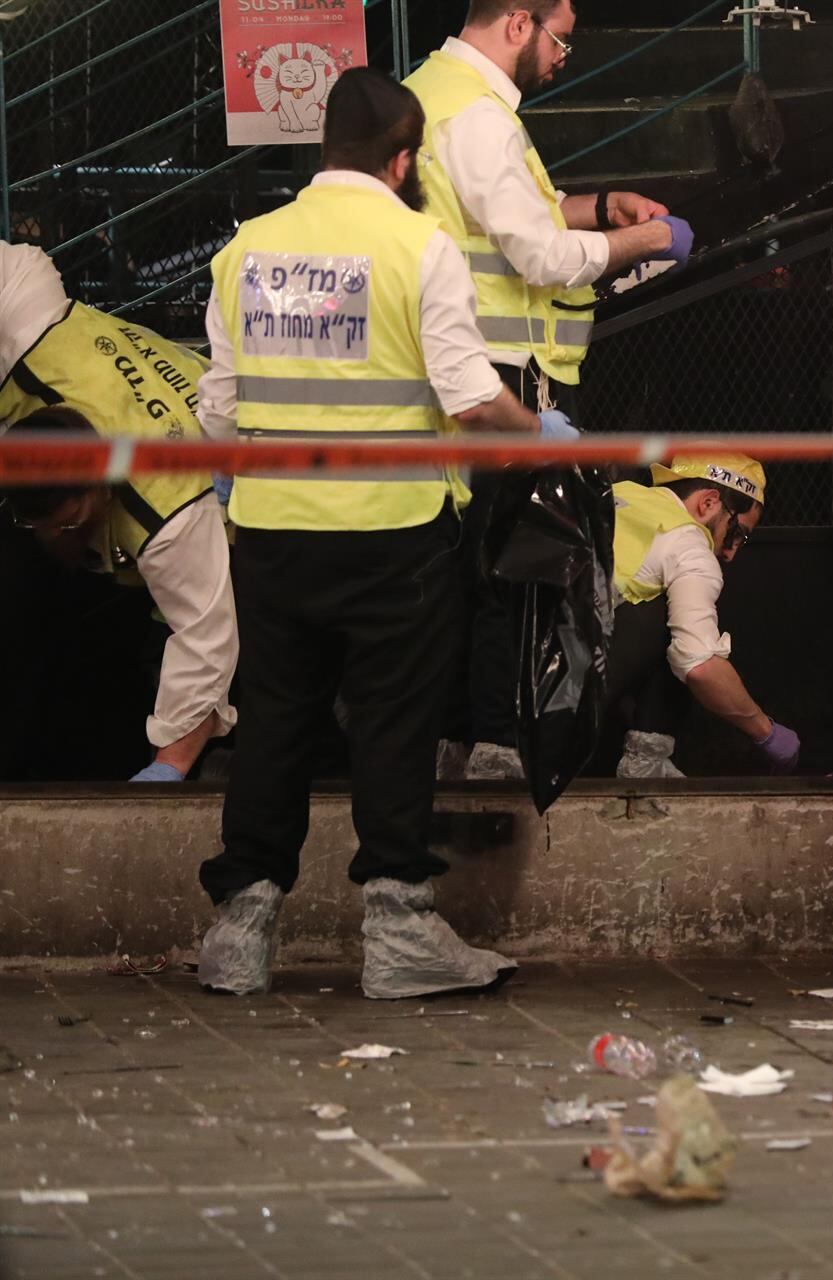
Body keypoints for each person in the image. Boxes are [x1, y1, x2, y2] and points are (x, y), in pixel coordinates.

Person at [192, 68, 551, 999]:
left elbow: (218, 417)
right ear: (403, 159)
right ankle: (398, 937)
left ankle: (239, 933)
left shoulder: (247, 251)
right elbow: (472, 398)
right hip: (396, 534)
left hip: (272, 534)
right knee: (394, 728)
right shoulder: (418, 246)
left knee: (274, 723)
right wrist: (538, 433)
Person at [403, 0, 693, 780]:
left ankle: (453, 738)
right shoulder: (480, 117)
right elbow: (538, 255)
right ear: (518, 24)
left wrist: (600, 207)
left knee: (466, 565)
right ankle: (495, 744)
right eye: (561, 37)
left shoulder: (434, 93)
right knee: (511, 569)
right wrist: (647, 241)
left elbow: (513, 218)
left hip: (454, 366)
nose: (567, 54)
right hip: (499, 372)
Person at [1, 407, 237, 781]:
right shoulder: (26, 394)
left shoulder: (166, 517)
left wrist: (168, 768)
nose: (56, 534)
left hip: (241, 538)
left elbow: (205, 640)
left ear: (101, 486)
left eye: (68, 522)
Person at [605, 452, 799, 777]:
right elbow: (700, 667)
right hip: (559, 704)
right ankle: (645, 764)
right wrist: (767, 732)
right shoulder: (688, 543)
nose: (730, 552)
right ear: (709, 503)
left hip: (508, 687)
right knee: (683, 631)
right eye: (737, 533)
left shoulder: (617, 494)